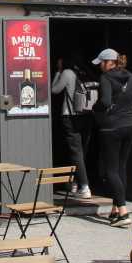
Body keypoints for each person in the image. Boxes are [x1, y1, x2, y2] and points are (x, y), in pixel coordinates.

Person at [92, 47, 132, 224]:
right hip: (130, 125)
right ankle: (115, 209)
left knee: (110, 170)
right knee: (121, 168)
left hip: (111, 127)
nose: (100, 67)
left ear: (108, 63)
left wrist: (94, 108)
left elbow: (104, 101)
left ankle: (123, 212)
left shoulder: (105, 77)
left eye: (101, 63)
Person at [51, 57, 91, 198]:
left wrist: (57, 73)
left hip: (70, 116)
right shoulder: (82, 72)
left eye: (59, 61)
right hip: (85, 116)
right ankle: (75, 183)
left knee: (75, 152)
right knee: (80, 151)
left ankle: (85, 187)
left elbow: (55, 90)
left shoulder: (67, 73)